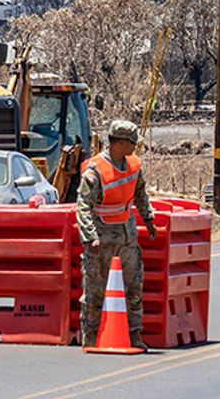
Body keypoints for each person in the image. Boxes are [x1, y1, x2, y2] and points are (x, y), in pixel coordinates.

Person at [76, 119, 156, 350]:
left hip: (127, 237)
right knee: (95, 290)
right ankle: (90, 336)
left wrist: (148, 219)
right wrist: (90, 236)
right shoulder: (95, 171)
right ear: (118, 143)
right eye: (131, 143)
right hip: (102, 240)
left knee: (134, 287)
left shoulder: (133, 166)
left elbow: (140, 194)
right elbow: (83, 206)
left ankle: (133, 335)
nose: (134, 147)